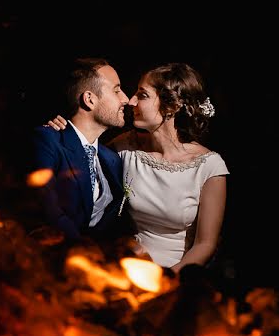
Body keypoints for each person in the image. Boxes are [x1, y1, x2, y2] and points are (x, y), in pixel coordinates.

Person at [48, 62, 228, 274]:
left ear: (171, 107)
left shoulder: (209, 166)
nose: (131, 101)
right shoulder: (125, 147)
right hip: (128, 266)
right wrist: (62, 131)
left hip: (179, 273)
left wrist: (169, 279)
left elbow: (205, 244)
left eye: (142, 96)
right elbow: (82, 157)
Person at [29, 58, 131, 245]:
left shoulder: (112, 158)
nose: (125, 99)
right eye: (116, 90)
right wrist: (85, 250)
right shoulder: (49, 140)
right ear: (89, 99)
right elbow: (48, 209)